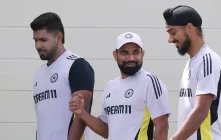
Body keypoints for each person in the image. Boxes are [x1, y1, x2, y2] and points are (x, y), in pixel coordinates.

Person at [69, 32, 171, 140]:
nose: (131, 58)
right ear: (115, 55)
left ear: (142, 54)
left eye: (136, 52)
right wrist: (82, 113)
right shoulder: (110, 87)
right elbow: (106, 131)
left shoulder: (150, 82)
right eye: (125, 53)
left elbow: (162, 126)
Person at [162, 5, 221, 140]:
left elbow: (201, 110)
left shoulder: (208, 60)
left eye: (173, 32)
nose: (170, 39)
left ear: (189, 28)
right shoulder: (192, 63)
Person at [30, 12, 94, 140]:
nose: (38, 46)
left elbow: (81, 116)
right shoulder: (39, 74)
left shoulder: (77, 65)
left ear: (58, 37)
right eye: (35, 40)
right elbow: (43, 122)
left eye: (43, 40)